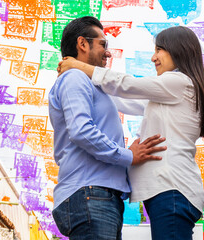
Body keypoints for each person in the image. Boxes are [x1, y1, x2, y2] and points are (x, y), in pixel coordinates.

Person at [57, 26, 204, 240]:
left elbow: (127, 85)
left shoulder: (179, 82)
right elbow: (125, 98)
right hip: (167, 191)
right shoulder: (169, 93)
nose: (153, 57)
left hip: (172, 190)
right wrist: (87, 78)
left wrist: (78, 65)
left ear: (178, 50)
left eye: (159, 50)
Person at [49, 16, 167, 240]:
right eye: (103, 44)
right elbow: (81, 131)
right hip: (90, 194)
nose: (108, 52)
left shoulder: (94, 84)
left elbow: (139, 98)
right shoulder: (74, 77)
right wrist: (128, 156)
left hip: (98, 197)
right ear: (82, 44)